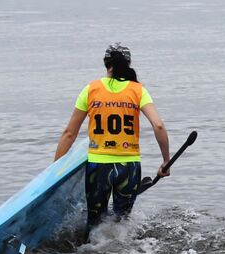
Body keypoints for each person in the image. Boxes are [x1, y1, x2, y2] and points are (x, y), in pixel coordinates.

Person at [55, 44, 172, 236]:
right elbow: (158, 125)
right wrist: (166, 161)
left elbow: (69, 133)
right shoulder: (138, 90)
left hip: (98, 167)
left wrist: (55, 173)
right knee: (122, 224)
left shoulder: (90, 89)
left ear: (105, 63)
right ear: (129, 63)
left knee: (94, 224)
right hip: (129, 167)